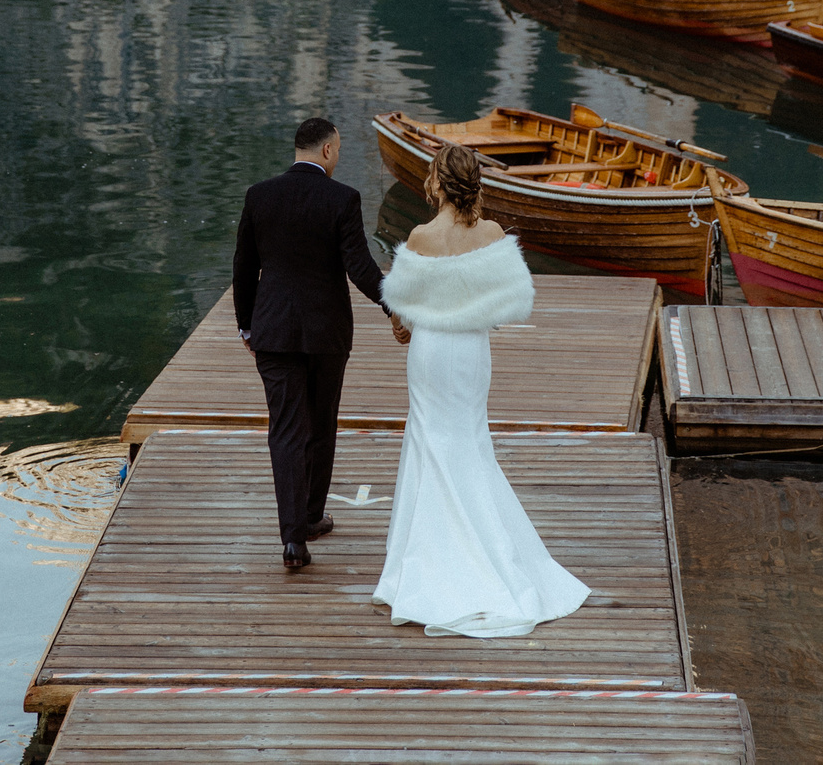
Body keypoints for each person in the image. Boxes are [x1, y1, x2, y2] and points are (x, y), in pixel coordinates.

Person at [372, 143, 589, 637]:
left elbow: (400, 309)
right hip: (471, 354)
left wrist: (405, 327)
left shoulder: (422, 236)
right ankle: (490, 555)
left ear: (437, 182)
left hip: (429, 354)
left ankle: (422, 568)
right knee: (469, 444)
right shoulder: (492, 234)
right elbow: (512, 301)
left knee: (429, 444)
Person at [231, 116, 387, 572]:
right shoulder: (343, 199)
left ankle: (294, 539)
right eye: (336, 150)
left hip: (274, 332)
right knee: (321, 424)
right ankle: (312, 514)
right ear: (326, 151)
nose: (337, 157)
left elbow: (243, 267)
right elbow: (359, 267)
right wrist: (394, 305)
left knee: (285, 430)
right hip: (327, 335)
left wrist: (246, 326)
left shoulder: (260, 195)